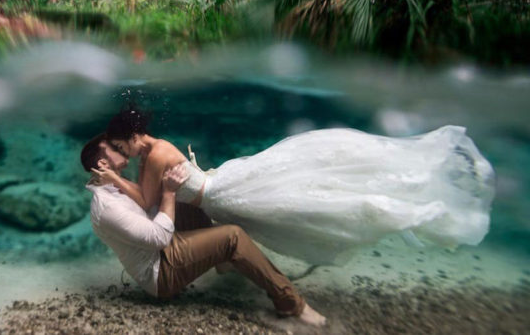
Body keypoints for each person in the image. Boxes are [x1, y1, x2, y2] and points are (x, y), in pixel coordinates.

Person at [102, 105, 496, 265]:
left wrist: (112, 179)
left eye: (124, 146)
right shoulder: (154, 152)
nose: (126, 152)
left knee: (310, 204)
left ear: (136, 135)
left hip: (220, 194)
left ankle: (391, 210)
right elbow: (151, 196)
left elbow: (147, 200)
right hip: (220, 189)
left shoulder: (153, 157)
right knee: (302, 195)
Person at [80, 133, 326, 326]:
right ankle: (291, 305)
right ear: (103, 162)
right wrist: (168, 192)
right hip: (160, 272)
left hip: (162, 250)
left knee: (191, 202)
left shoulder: (114, 186)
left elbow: (149, 203)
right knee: (233, 237)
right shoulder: (107, 207)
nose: (120, 146)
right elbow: (159, 237)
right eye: (114, 147)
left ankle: (225, 262)